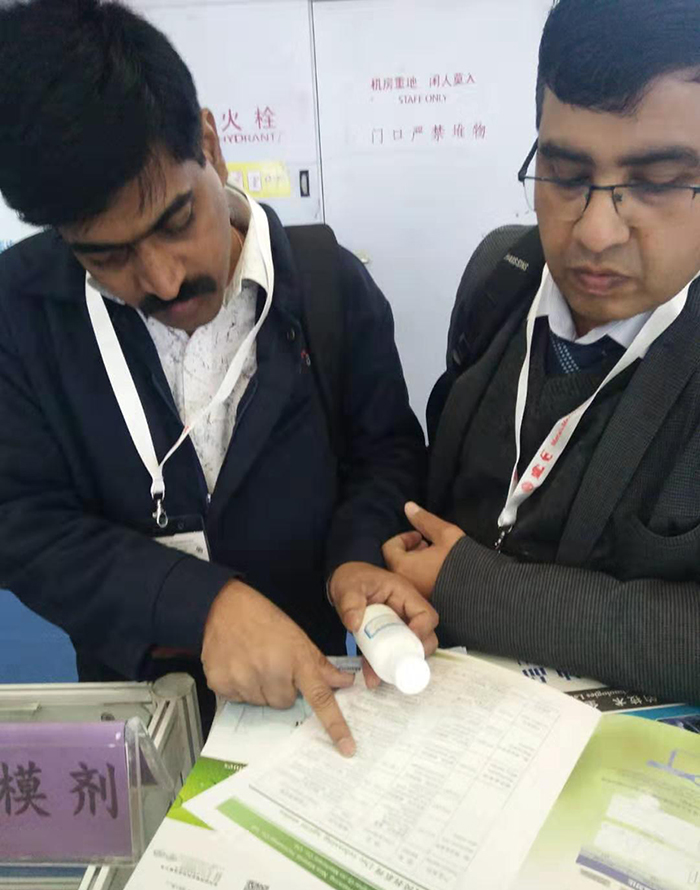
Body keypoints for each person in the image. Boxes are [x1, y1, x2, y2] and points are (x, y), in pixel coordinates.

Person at [0, 0, 437, 752]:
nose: (163, 280)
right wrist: (199, 604)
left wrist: (357, 558)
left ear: (209, 143)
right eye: (107, 257)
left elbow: (385, 458)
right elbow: (22, 522)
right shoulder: (21, 311)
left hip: (316, 692)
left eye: (175, 222)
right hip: (135, 706)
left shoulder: (330, 286)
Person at [384, 0, 700, 706]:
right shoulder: (500, 273)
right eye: (565, 174)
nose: (595, 234)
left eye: (655, 183)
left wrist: (478, 590)